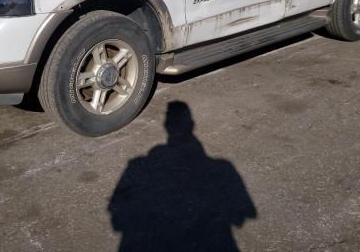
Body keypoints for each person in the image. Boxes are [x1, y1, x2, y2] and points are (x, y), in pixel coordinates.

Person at [108, 101, 257, 251]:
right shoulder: (224, 168)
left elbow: (117, 218)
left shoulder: (139, 164)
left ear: (166, 125)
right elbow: (241, 216)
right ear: (191, 124)